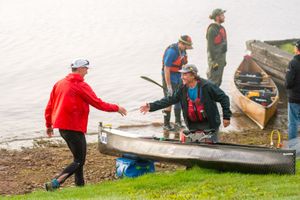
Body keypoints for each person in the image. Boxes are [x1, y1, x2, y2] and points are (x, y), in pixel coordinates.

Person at [44, 58, 127, 191]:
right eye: (86, 69)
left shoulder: (59, 83)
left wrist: (48, 125)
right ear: (80, 69)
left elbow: (49, 106)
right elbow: (98, 103)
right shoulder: (80, 85)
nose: (87, 72)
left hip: (62, 128)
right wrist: (116, 108)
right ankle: (55, 183)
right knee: (79, 161)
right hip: (73, 128)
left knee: (77, 159)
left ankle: (80, 187)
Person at [141, 64, 231, 142]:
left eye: (185, 74)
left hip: (209, 123)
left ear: (193, 75)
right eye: (181, 74)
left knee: (211, 147)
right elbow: (170, 100)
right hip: (193, 124)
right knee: (196, 147)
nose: (182, 77)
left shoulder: (207, 86)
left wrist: (226, 117)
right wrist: (151, 106)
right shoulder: (183, 88)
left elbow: (224, 98)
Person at [162, 35, 193, 131]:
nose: (187, 48)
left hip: (178, 76)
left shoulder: (183, 50)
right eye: (186, 46)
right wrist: (169, 86)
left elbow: (183, 65)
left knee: (180, 98)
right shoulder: (172, 52)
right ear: (181, 43)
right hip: (169, 76)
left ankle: (178, 122)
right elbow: (166, 69)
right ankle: (166, 124)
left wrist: (185, 79)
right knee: (170, 100)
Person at [206, 8, 227, 87]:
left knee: (218, 81)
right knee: (213, 81)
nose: (224, 17)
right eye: (222, 15)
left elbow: (223, 46)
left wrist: (224, 60)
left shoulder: (221, 28)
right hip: (215, 61)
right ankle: (209, 98)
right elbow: (210, 47)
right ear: (217, 17)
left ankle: (214, 97)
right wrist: (214, 62)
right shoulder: (212, 29)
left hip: (221, 59)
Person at [285, 40, 300, 148]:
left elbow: (288, 83)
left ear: (297, 49)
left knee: (293, 123)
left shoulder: (293, 63)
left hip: (295, 98)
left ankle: (292, 148)